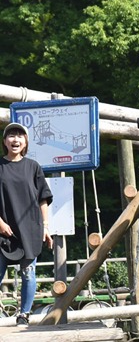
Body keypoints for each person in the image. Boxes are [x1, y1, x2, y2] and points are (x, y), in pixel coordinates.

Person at [0, 123, 53, 326]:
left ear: (26, 142)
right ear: (5, 141)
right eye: (11, 135)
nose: (15, 139)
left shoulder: (33, 167)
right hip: (3, 229)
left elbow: (43, 199)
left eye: (20, 136)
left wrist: (45, 227)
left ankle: (24, 314)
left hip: (30, 228)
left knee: (29, 274)